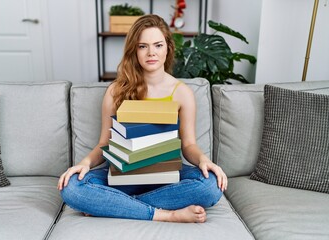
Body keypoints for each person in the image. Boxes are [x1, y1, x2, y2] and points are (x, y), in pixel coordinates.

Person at [57, 14, 227, 223]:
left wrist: (204, 160)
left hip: (166, 178)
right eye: (143, 46)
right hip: (121, 177)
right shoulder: (116, 91)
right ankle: (166, 214)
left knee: (210, 186)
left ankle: (115, 205)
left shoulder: (182, 93)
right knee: (71, 187)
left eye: (157, 45)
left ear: (168, 48)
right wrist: (84, 163)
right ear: (134, 51)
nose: (151, 53)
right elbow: (104, 144)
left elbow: (189, 144)